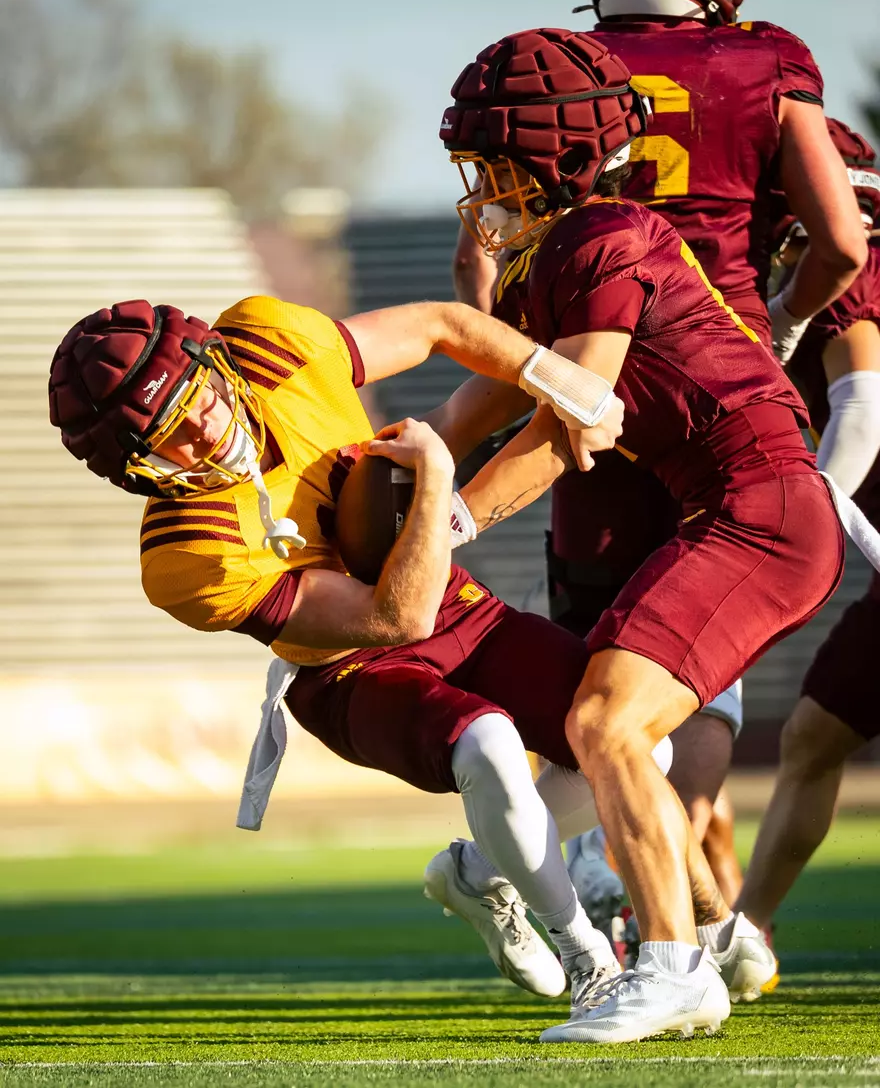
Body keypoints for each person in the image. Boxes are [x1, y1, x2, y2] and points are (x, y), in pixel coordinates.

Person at [48, 294, 636, 1013]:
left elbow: (440, 325)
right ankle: (589, 962)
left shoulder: (270, 345)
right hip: (348, 667)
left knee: (631, 741)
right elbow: (395, 618)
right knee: (487, 744)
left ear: (210, 359)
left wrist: (554, 377)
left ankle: (483, 872)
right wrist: (438, 483)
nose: (203, 424)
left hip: (449, 600)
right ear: (139, 466)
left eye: (196, 393)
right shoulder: (186, 556)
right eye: (172, 432)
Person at [436, 26, 851, 1043]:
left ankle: (674, 965)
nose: (477, 185)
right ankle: (502, 875)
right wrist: (350, 491)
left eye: (491, 164)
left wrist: (440, 525)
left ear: (550, 158)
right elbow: (474, 405)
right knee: (597, 721)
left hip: (760, 506)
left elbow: (564, 419)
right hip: (727, 508)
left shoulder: (604, 236)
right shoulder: (559, 252)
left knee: (610, 722)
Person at [735, 120, 880, 932]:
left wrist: (809, 511)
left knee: (811, 739)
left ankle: (748, 931)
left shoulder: (847, 281)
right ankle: (749, 932)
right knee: (814, 736)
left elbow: (864, 408)